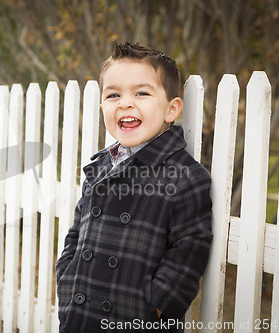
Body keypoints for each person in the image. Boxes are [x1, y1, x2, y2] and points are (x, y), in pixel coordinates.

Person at [55, 41, 212, 332]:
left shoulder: (184, 176)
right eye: (113, 94)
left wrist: (156, 304)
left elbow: (190, 248)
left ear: (171, 109)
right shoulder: (100, 166)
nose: (125, 103)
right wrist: (66, 276)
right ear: (102, 105)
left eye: (141, 93)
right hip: (80, 310)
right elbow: (77, 232)